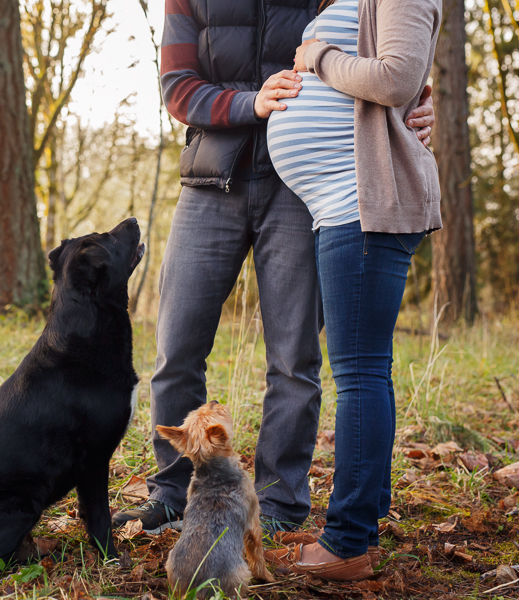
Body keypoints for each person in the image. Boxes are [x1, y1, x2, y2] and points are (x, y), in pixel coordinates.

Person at [112, 0, 435, 538]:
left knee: (295, 360)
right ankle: (171, 495)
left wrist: (421, 104)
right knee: (177, 349)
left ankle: (279, 505)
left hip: (302, 191)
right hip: (210, 183)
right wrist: (249, 103)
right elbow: (176, 87)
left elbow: (388, 51)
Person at [265, 0, 442, 581]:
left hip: (362, 205)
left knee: (360, 373)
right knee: (364, 371)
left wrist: (318, 56)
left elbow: (394, 79)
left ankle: (347, 542)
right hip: (340, 207)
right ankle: (362, 520)